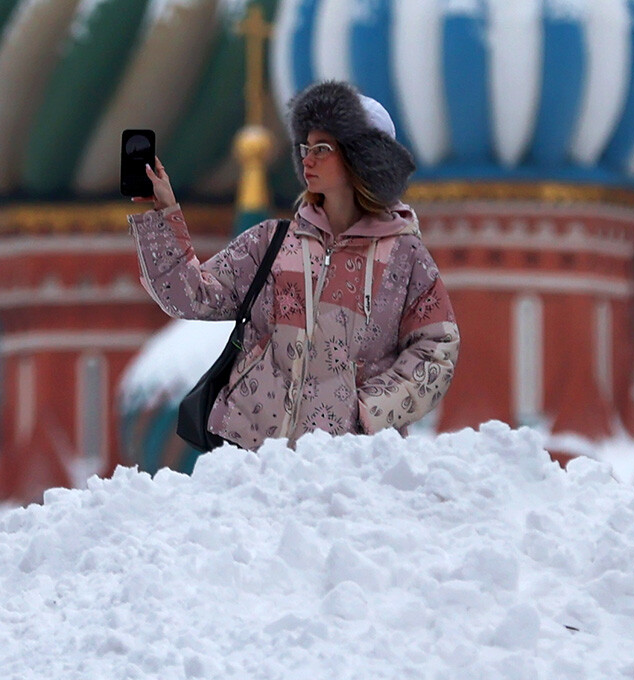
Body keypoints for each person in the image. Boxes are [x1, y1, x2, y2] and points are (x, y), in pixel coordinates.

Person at [128, 80, 459, 446]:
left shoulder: (405, 258)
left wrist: (368, 411)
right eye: (305, 146)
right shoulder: (273, 242)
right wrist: (163, 213)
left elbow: (436, 350)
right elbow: (189, 296)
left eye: (322, 148)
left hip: (348, 462)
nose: (307, 158)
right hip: (255, 455)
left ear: (362, 158)